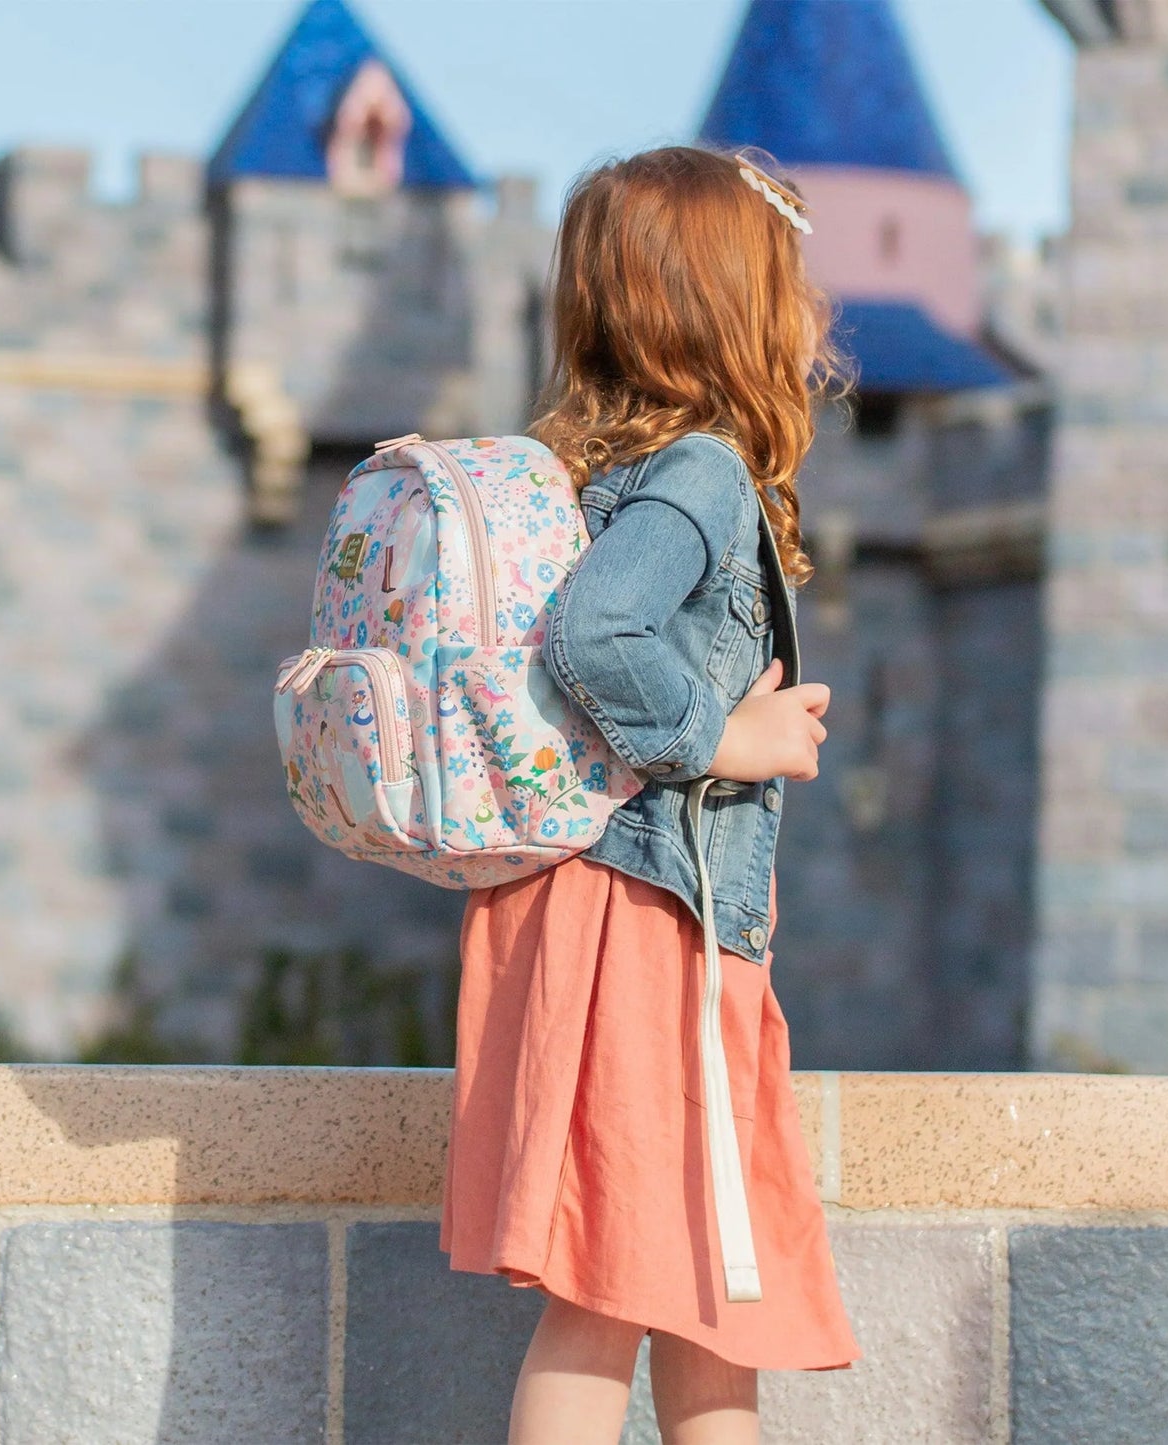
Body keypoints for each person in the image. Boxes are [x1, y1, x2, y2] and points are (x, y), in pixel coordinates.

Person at [438, 143, 863, 1445]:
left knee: (697, 1292)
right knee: (610, 1289)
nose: (810, 320)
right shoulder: (701, 475)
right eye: (787, 287)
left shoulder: (604, 469)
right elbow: (593, 635)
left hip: (636, 916)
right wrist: (732, 735)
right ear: (737, 307)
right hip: (644, 922)